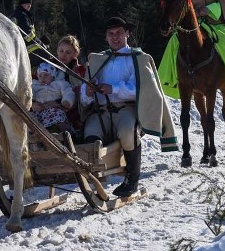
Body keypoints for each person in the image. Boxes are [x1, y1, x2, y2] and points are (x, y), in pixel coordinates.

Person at [81, 17, 178, 197]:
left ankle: (132, 179)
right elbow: (84, 98)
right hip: (100, 112)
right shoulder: (97, 59)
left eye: (119, 33)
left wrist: (114, 89)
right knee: (89, 139)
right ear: (106, 37)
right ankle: (94, 179)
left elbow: (142, 90)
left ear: (127, 34)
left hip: (126, 109)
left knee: (127, 133)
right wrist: (87, 92)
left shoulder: (138, 58)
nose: (115, 37)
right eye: (111, 34)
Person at [30, 63, 75, 133]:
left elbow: (68, 91)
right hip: (39, 110)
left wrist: (66, 101)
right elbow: (29, 93)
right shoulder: (35, 85)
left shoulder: (59, 83)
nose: (42, 78)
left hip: (54, 108)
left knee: (57, 114)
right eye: (40, 76)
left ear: (53, 76)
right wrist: (32, 103)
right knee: (30, 117)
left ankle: (66, 133)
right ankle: (35, 136)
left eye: (46, 75)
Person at [56, 35, 87, 130]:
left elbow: (81, 97)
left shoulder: (81, 71)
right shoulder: (48, 67)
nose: (63, 55)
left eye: (68, 52)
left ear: (75, 53)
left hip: (71, 111)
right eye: (61, 51)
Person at [10, 0, 40, 66]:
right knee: (45, 57)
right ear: (23, 4)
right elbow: (28, 36)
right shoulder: (22, 15)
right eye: (28, 6)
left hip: (15, 47)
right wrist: (39, 42)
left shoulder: (14, 14)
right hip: (27, 47)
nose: (29, 8)